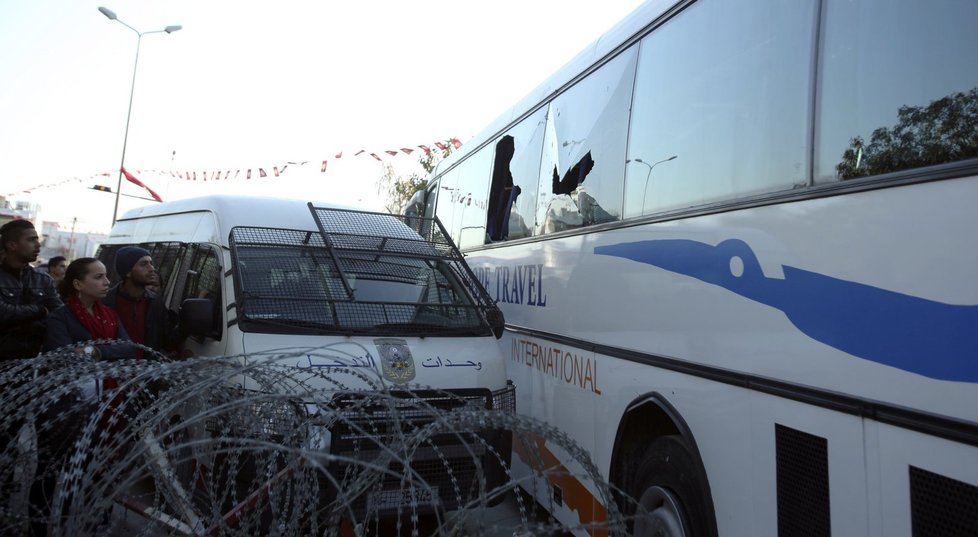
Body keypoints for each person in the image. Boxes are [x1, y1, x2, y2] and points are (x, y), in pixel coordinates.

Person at [0, 220, 62, 361]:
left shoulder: (42, 279)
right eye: (31, 240)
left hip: (33, 362)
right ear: (12, 245)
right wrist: (40, 311)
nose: (38, 244)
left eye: (37, 239)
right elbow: (2, 312)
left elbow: (59, 314)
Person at [103, 246, 179, 356]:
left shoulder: (155, 302)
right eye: (144, 264)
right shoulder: (105, 301)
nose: (152, 268)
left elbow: (167, 342)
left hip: (145, 371)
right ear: (128, 272)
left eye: (151, 263)